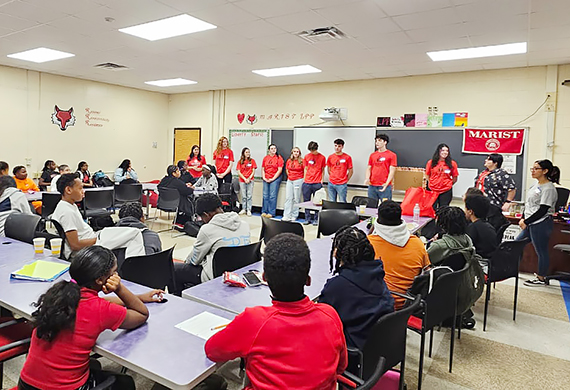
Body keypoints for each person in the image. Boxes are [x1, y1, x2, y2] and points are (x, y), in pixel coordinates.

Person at [205, 233, 347, 390]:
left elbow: (212, 351)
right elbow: (341, 367)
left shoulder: (254, 321)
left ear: (264, 277)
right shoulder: (330, 316)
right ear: (308, 280)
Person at [18, 246, 164, 390]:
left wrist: (140, 297)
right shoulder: (101, 310)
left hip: (26, 384)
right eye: (114, 273)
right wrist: (120, 289)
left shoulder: (59, 294)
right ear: (100, 280)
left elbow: (99, 303)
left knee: (93, 365)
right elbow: (142, 314)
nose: (117, 276)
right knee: (124, 382)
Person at [319, 226, 394, 350]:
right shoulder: (377, 273)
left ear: (337, 253)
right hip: (378, 347)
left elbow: (323, 319)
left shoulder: (338, 286)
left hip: (354, 351)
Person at [175, 193, 250, 286]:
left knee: (173, 268)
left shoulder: (207, 230)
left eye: (201, 217)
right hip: (240, 274)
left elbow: (194, 261)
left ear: (207, 215)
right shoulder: (244, 225)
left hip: (215, 277)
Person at [368, 201, 431, 309]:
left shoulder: (369, 244)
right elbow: (427, 270)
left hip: (380, 304)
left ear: (378, 220)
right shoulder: (417, 243)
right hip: (410, 304)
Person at [517, 159, 560, 286]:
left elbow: (543, 209)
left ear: (545, 171)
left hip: (541, 223)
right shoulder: (534, 185)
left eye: (536, 169)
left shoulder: (548, 188)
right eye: (532, 168)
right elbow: (529, 204)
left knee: (541, 250)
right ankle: (513, 269)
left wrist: (527, 221)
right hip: (530, 222)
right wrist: (523, 218)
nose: (533, 171)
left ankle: (541, 277)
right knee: (516, 244)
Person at [52, 173, 97, 259]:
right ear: (68, 190)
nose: (83, 191)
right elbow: (75, 245)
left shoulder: (70, 205)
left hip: (91, 240)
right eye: (80, 188)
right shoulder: (67, 212)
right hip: (86, 249)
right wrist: (97, 240)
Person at [425, 143, 459, 210]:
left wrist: (448, 185)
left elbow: (455, 178)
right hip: (432, 190)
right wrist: (432, 184)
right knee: (431, 210)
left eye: (447, 151)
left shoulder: (452, 164)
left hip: (445, 191)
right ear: (438, 151)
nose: (445, 152)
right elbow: (427, 175)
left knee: (444, 210)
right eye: (443, 150)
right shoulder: (431, 162)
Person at [365, 134, 397, 201]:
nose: (377, 143)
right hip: (372, 185)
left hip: (384, 185)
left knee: (386, 207)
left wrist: (386, 183)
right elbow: (369, 168)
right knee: (371, 206)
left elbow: (392, 171)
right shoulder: (372, 155)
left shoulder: (392, 155)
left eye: (379, 141)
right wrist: (367, 178)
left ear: (385, 142)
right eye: (376, 141)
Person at [464, 194, 497, 258]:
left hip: (478, 262)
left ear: (470, 211)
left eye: (465, 209)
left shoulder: (473, 228)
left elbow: (465, 248)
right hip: (490, 262)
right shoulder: (490, 226)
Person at [302, 141, 326, 225]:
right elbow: (305, 168)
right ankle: (307, 218)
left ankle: (316, 219)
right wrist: (305, 179)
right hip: (307, 182)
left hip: (317, 182)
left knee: (318, 202)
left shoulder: (322, 157)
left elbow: (323, 169)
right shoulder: (307, 156)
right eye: (310, 150)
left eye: (313, 150)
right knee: (306, 201)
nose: (312, 152)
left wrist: (321, 180)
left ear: (316, 149)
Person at [326, 138, 353, 202]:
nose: (337, 148)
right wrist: (333, 176)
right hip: (331, 183)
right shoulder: (330, 157)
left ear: (342, 147)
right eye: (335, 146)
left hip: (342, 184)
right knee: (332, 202)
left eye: (339, 146)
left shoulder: (347, 157)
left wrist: (346, 179)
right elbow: (329, 169)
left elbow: (351, 171)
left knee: (342, 202)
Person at [261, 144, 283, 218]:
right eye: (272, 148)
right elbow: (263, 168)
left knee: (272, 196)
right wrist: (264, 177)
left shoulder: (279, 158)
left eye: (274, 148)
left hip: (275, 178)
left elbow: (279, 170)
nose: (273, 150)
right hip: (266, 178)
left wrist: (273, 179)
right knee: (265, 195)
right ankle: (264, 211)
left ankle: (271, 212)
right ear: (269, 150)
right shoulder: (265, 158)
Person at [283, 147, 304, 221]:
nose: (296, 153)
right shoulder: (289, 161)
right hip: (290, 180)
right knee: (288, 198)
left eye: (297, 152)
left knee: (296, 198)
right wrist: (290, 176)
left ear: (299, 153)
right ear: (292, 153)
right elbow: (287, 169)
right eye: (294, 151)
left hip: (298, 180)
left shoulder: (302, 161)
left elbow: (305, 170)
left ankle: (294, 215)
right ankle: (286, 215)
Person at [236, 147, 257, 216]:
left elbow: (253, 171)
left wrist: (249, 178)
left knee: (249, 195)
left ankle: (249, 209)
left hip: (250, 180)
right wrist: (244, 178)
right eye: (246, 152)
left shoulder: (252, 161)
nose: (248, 153)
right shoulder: (240, 162)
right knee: (243, 195)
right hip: (242, 180)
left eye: (249, 152)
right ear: (243, 153)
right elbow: (239, 172)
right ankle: (244, 209)